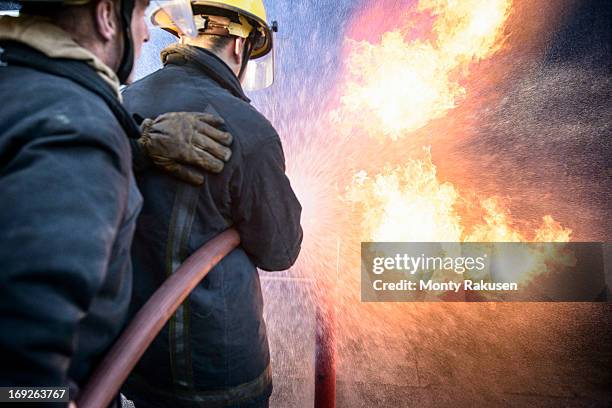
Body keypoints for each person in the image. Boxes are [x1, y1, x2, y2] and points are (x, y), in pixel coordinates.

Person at [0, 0, 233, 401]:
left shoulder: (18, 87)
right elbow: (25, 349)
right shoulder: (78, 131)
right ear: (107, 15)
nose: (144, 33)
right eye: (140, 13)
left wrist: (139, 144)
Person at [121, 1, 303, 407]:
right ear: (241, 45)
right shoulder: (247, 129)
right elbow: (281, 250)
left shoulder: (123, 104)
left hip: (137, 359)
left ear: (183, 31)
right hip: (219, 372)